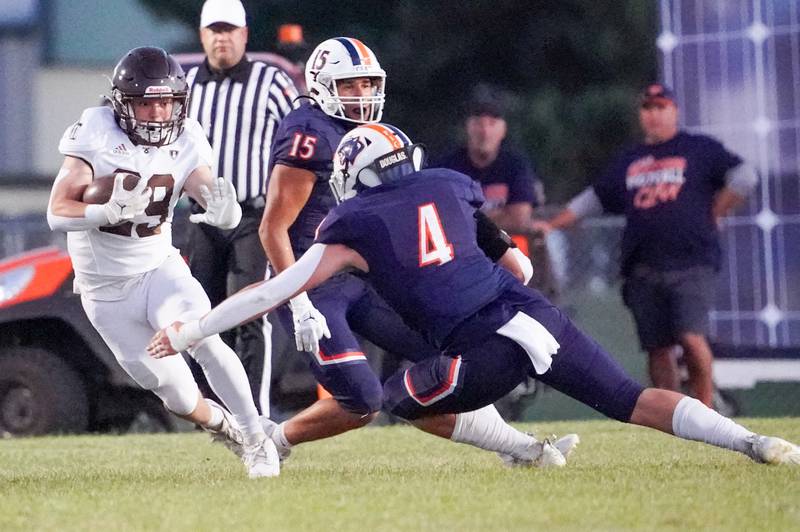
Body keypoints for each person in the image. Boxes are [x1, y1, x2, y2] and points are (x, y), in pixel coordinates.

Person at [148, 123, 799, 467]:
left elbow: (274, 290)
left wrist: (189, 332)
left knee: (394, 400)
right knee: (633, 401)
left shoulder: (354, 223)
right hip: (532, 315)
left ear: (354, 177)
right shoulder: (451, 182)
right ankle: (752, 444)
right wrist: (510, 254)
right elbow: (498, 244)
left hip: (482, 349)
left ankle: (519, 452)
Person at [256, 38, 553, 463]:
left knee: (446, 364)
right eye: (349, 85)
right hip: (315, 280)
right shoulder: (310, 134)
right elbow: (273, 227)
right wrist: (298, 300)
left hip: (366, 276)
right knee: (361, 398)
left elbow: (426, 199)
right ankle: (271, 442)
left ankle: (520, 449)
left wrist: (497, 246)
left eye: (367, 84)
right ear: (321, 85)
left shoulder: (373, 134)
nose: (362, 95)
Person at [47, 46, 279, 479]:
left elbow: (204, 187)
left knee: (205, 338)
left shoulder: (188, 135)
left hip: (160, 269)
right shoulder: (94, 131)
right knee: (176, 395)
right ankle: (223, 425)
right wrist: (103, 212)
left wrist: (222, 209)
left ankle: (257, 438)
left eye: (166, 101)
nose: (156, 113)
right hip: (105, 292)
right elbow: (57, 211)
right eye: (146, 102)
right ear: (122, 103)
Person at [534, 84, 758, 408]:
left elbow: (745, 176)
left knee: (691, 337)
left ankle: (708, 412)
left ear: (674, 111)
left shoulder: (698, 148)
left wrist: (717, 209)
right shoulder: (630, 159)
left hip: (691, 263)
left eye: (660, 106)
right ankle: (674, 416)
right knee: (658, 347)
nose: (653, 114)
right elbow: (594, 198)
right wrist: (552, 224)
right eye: (647, 108)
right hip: (644, 266)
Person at [183, 0, 299, 416]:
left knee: (249, 312)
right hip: (202, 217)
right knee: (203, 316)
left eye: (229, 29)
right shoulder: (186, 86)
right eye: (214, 30)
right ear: (202, 37)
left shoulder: (272, 83)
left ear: (245, 35)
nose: (222, 38)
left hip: (255, 216)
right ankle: (213, 414)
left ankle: (255, 414)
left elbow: (301, 138)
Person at [438, 85, 544, 234]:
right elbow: (442, 219)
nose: (485, 132)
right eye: (478, 123)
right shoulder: (447, 168)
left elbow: (519, 220)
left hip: (510, 252)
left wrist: (466, 218)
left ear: (503, 129)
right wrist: (500, 215)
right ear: (468, 127)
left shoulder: (516, 166)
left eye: (492, 123)